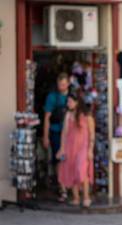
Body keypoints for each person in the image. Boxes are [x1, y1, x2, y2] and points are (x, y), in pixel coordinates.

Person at [56, 90, 95, 207]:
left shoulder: (87, 115)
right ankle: (76, 197)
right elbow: (64, 133)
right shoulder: (68, 115)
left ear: (77, 102)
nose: (68, 103)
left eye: (70, 101)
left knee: (81, 170)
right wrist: (62, 148)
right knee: (71, 169)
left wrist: (90, 150)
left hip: (83, 146)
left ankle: (87, 197)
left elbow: (92, 134)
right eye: (67, 101)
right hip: (70, 146)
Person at [43, 73, 70, 202]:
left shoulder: (72, 97)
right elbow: (47, 117)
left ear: (68, 83)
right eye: (60, 84)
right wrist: (45, 136)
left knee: (71, 159)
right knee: (59, 159)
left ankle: (71, 185)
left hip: (71, 134)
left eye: (64, 84)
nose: (62, 87)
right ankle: (63, 188)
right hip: (56, 132)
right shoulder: (52, 97)